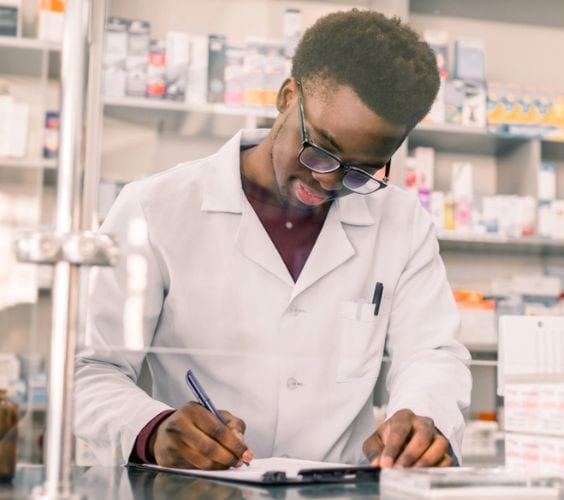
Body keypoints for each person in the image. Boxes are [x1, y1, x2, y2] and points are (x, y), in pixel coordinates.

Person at [75, 9, 471, 470]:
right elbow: (90, 370)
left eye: (361, 170)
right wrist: (152, 429)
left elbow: (433, 353)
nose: (328, 181)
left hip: (337, 488)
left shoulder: (402, 222)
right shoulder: (155, 208)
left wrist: (423, 420)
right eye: (321, 149)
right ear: (287, 98)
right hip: (196, 488)